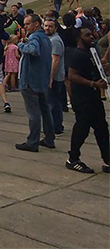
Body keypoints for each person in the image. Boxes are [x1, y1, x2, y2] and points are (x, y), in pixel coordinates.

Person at [66, 26, 109, 173]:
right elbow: (72, 75)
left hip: (93, 97)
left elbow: (94, 71)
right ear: (79, 38)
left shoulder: (91, 52)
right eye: (87, 35)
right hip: (82, 98)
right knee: (82, 129)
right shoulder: (78, 54)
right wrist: (92, 83)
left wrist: (103, 69)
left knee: (102, 128)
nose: (92, 37)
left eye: (92, 34)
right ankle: (72, 159)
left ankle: (108, 158)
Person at [15, 14, 54, 152]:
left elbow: (32, 50)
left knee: (34, 113)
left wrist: (20, 44)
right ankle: (49, 138)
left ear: (36, 24)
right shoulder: (46, 38)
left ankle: (32, 142)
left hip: (31, 80)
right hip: (42, 79)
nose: (25, 27)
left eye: (27, 24)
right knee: (45, 110)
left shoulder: (35, 37)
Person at [44, 18, 66, 137]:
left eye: (50, 26)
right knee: (53, 101)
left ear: (56, 28)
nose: (47, 28)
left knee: (53, 102)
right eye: (46, 26)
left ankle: (56, 127)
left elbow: (55, 60)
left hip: (55, 76)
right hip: (51, 75)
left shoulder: (55, 41)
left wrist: (50, 78)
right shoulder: (50, 39)